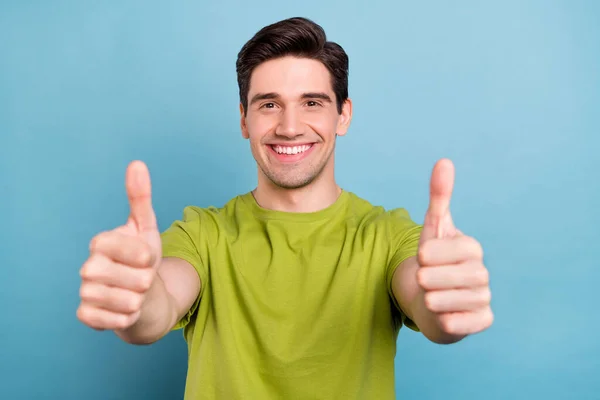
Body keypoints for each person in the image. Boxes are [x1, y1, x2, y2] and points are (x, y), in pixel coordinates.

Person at [76, 17, 493, 399]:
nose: (290, 126)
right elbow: (155, 309)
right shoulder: (202, 234)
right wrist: (134, 298)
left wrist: (447, 304)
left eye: (311, 102)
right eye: (269, 104)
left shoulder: (388, 236)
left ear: (342, 116)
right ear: (244, 120)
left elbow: (429, 304)